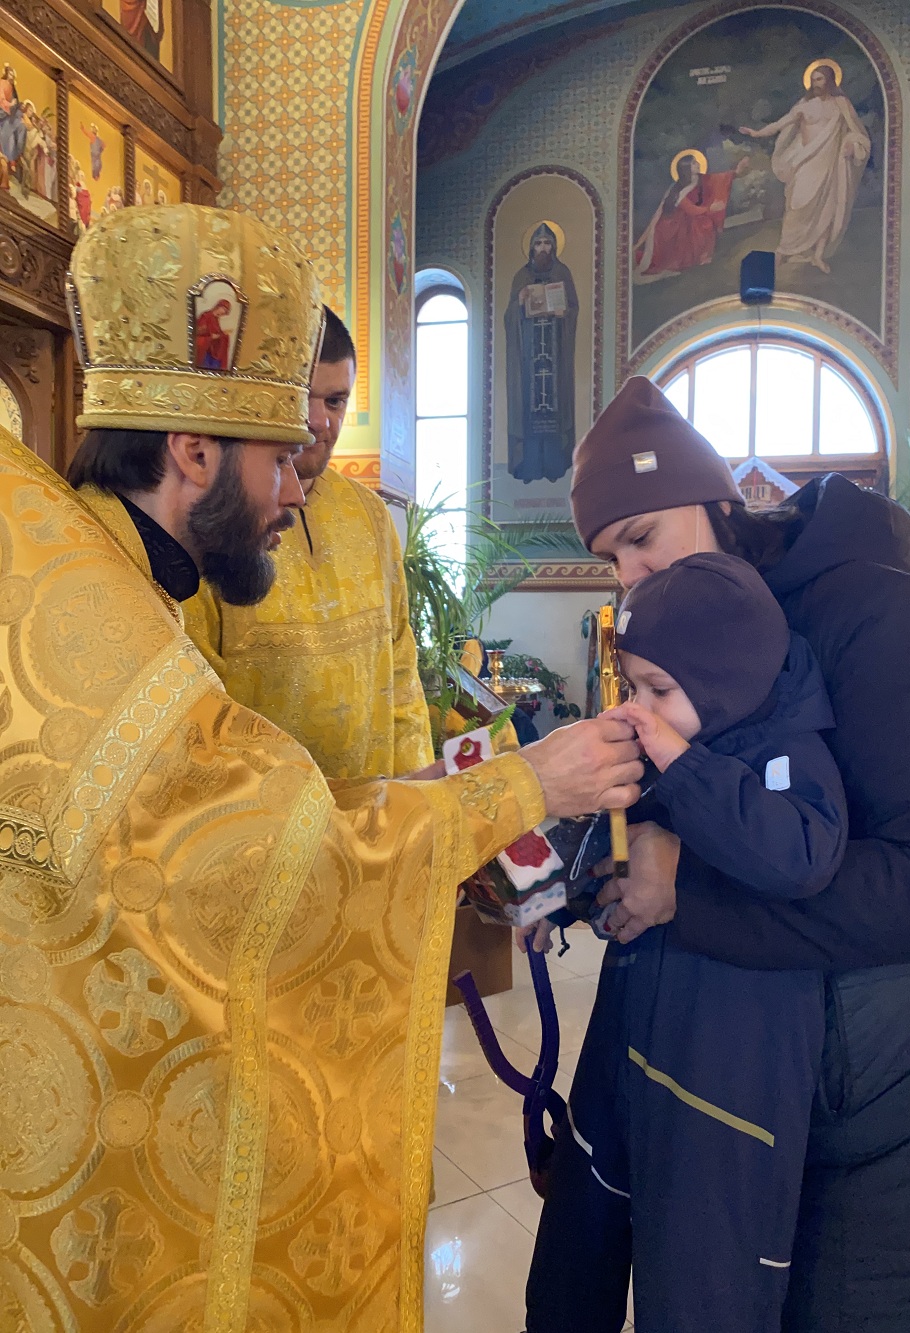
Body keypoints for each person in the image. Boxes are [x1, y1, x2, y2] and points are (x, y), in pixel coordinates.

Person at [0, 203, 644, 1333]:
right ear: (193, 451)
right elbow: (257, 855)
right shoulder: (106, 624)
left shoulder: (84, 565)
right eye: (279, 458)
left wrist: (432, 805)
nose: (300, 489)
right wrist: (529, 784)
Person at [525, 375, 910, 1333]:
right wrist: (571, 874)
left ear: (714, 501)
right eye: (611, 557)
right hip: (749, 1077)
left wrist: (683, 889)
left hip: (887, 1100)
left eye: (643, 537)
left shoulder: (878, 614)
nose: (631, 575)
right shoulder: (690, 623)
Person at [530, 551, 848, 1333]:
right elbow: (620, 846)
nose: (640, 709)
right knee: (576, 1252)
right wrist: (558, 899)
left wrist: (682, 761)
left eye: (659, 690)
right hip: (628, 1047)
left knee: (701, 1286)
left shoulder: (789, 757)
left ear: (726, 683)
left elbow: (798, 857)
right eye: (633, 688)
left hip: (727, 1082)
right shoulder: (673, 748)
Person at [184, 307, 434, 781]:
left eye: (336, 401)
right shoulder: (216, 518)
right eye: (303, 397)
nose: (320, 422)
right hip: (271, 816)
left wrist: (418, 798)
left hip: (382, 813)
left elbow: (401, 670)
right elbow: (199, 716)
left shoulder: (371, 515)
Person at [740, 62, 870, 274]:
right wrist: (757, 133)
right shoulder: (804, 106)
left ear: (829, 80)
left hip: (829, 165)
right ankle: (782, 252)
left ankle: (817, 255)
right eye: (813, 80)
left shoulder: (841, 104)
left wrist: (851, 144)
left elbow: (856, 132)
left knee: (826, 209)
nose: (815, 84)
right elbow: (780, 124)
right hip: (806, 162)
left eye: (819, 79)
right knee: (797, 206)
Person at [504, 221, 579, 484]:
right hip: (529, 358)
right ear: (531, 248)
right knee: (529, 412)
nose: (543, 248)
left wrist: (564, 313)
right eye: (538, 243)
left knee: (555, 411)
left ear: (554, 246)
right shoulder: (521, 277)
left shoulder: (562, 272)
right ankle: (530, 467)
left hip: (556, 354)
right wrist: (520, 301)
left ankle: (555, 467)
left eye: (547, 243)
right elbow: (509, 316)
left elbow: (573, 308)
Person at [633, 151, 748, 280]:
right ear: (686, 168)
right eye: (694, 163)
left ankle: (703, 256)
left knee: (705, 224)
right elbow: (690, 209)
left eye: (696, 161)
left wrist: (737, 171)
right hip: (672, 228)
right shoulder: (678, 189)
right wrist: (710, 208)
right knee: (700, 226)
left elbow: (719, 179)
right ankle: (694, 258)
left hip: (689, 221)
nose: (698, 164)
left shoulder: (702, 179)